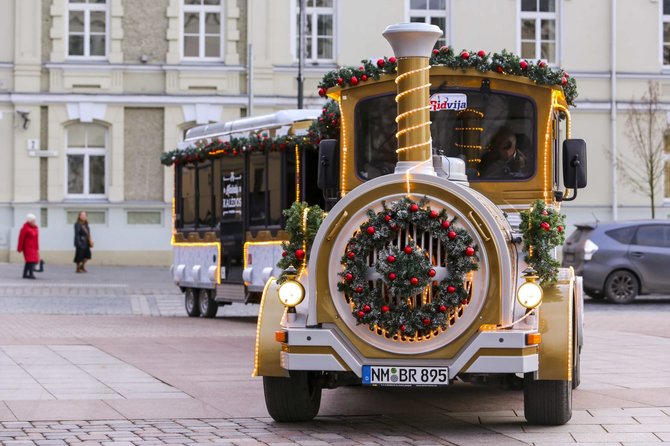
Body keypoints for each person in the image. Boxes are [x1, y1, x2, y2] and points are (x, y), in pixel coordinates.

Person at [17, 213, 39, 279]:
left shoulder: (35, 228)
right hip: (27, 247)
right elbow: (21, 238)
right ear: (29, 221)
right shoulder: (25, 228)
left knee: (29, 261)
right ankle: (31, 274)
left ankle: (25, 274)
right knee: (30, 260)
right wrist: (19, 248)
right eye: (33, 220)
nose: (34, 222)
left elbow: (36, 239)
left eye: (34, 220)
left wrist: (37, 247)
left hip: (33, 247)